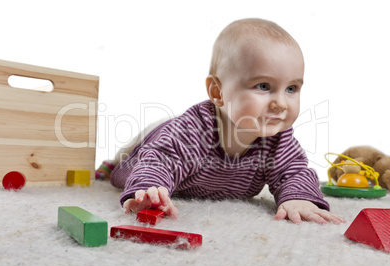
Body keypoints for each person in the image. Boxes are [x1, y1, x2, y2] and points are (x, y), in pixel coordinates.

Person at [109, 18, 345, 224]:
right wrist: (150, 191)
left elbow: (293, 171)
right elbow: (159, 161)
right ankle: (117, 157)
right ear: (217, 92)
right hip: (157, 141)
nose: (281, 103)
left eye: (292, 88)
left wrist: (298, 197)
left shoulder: (278, 139)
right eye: (264, 86)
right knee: (129, 164)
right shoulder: (190, 132)